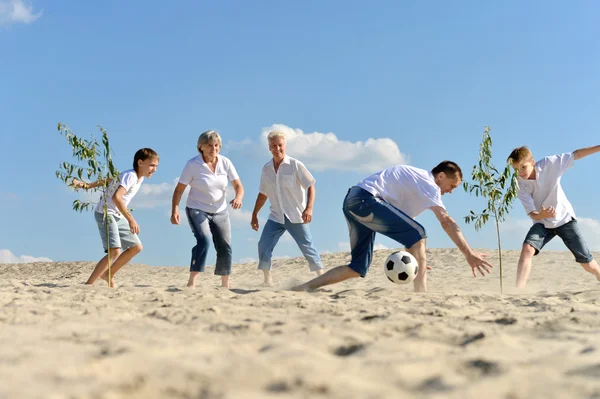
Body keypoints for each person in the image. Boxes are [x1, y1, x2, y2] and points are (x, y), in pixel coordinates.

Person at [292, 161, 493, 293]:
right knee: (420, 233)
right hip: (365, 200)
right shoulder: (429, 184)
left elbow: (406, 233)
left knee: (357, 268)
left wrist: (416, 259)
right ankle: (421, 294)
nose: (451, 191)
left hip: (353, 202)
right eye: (452, 186)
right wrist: (469, 254)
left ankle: (305, 287)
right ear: (441, 176)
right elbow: (446, 222)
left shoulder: (417, 191)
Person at [507, 145, 600, 288]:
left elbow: (576, 154)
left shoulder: (549, 164)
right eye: (516, 169)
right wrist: (542, 214)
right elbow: (532, 213)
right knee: (527, 248)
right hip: (542, 223)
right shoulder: (519, 185)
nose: (520, 172)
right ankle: (518, 290)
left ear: (532, 162)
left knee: (587, 263)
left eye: (523, 167)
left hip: (565, 219)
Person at [72, 148, 160, 288]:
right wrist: (131, 219)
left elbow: (110, 180)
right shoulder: (130, 176)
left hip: (117, 215)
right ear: (140, 162)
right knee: (115, 251)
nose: (154, 169)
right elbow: (116, 197)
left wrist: (88, 185)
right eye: (152, 165)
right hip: (106, 214)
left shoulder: (139, 178)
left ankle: (108, 274)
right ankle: (88, 285)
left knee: (136, 247)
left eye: (156, 166)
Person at [171, 130, 244, 289]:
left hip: (221, 210)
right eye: (209, 145)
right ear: (201, 147)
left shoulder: (226, 162)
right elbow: (179, 190)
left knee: (225, 245)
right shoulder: (192, 165)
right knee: (204, 240)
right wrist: (175, 210)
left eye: (216, 145)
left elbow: (238, 186)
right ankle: (192, 282)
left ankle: (225, 284)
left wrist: (238, 197)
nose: (214, 148)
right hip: (197, 209)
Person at [250, 130, 324, 286]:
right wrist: (255, 214)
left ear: (285, 145)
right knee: (263, 245)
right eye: (273, 146)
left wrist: (309, 208)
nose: (277, 148)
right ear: (269, 147)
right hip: (276, 216)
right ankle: (267, 280)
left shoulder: (295, 165)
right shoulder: (266, 169)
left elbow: (311, 185)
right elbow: (263, 194)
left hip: (296, 215)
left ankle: (321, 277)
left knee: (307, 247)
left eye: (280, 145)